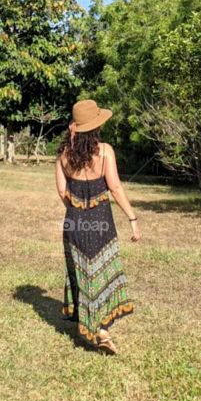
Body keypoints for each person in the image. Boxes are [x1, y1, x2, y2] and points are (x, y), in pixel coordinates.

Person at [56, 99, 140, 354]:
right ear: (96, 126)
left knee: (83, 273)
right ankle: (101, 329)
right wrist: (132, 218)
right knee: (102, 272)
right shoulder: (104, 151)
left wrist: (77, 209)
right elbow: (115, 187)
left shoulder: (63, 155)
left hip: (74, 222)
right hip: (102, 221)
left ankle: (90, 324)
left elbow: (62, 192)